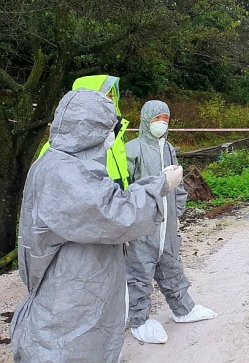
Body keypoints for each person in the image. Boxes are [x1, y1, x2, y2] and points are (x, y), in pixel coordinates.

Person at [11, 90, 184, 362]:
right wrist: (159, 186)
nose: (111, 137)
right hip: (72, 294)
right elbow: (116, 214)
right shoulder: (63, 173)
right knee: (69, 350)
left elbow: (106, 199)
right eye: (108, 130)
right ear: (89, 130)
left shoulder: (65, 165)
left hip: (80, 285)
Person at [126, 100, 216, 344]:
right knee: (139, 273)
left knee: (172, 267)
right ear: (145, 119)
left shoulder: (169, 149)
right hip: (142, 227)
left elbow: (178, 187)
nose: (161, 124)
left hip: (167, 225)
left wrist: (176, 214)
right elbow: (124, 191)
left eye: (166, 119)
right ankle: (139, 320)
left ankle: (184, 309)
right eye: (157, 119)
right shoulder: (131, 150)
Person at [38, 75, 131, 189]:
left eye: (112, 96)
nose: (110, 101)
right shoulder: (57, 149)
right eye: (105, 96)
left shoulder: (113, 137)